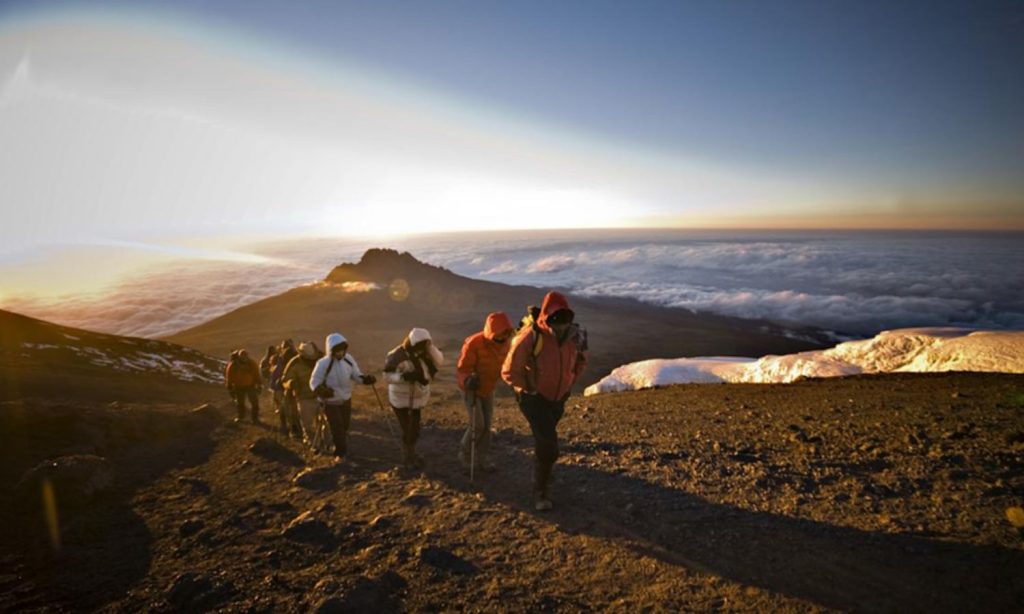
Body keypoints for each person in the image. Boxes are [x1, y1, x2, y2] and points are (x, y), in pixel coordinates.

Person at [502, 292, 588, 511]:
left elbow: (580, 362)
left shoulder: (575, 337)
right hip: (534, 399)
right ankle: (540, 492)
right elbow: (509, 371)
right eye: (555, 318)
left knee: (546, 440)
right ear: (546, 316)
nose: (560, 324)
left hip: (558, 398)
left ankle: (544, 470)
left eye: (564, 318)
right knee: (549, 446)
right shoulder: (531, 336)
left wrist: (568, 384)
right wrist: (528, 389)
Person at [456, 312, 514, 473]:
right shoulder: (474, 343)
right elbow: (463, 369)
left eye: (506, 333)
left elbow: (507, 367)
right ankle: (464, 454)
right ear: (491, 331)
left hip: (488, 388)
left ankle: (482, 459)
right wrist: (467, 380)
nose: (503, 337)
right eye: (500, 334)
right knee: (478, 425)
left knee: (487, 426)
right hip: (471, 389)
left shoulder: (507, 345)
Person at [384, 328, 444, 469]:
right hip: (400, 399)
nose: (422, 349)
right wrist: (405, 377)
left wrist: (430, 348)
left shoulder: (426, 352)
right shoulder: (397, 355)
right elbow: (387, 376)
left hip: (416, 399)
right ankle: (408, 458)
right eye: (421, 345)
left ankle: (411, 454)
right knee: (408, 429)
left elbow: (439, 361)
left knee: (414, 429)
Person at [309, 333, 376, 459]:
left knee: (344, 425)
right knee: (337, 427)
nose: (340, 353)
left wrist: (365, 379)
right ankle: (340, 453)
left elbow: (356, 374)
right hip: (330, 401)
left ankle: (336, 445)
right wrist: (321, 391)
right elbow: (314, 381)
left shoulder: (348, 359)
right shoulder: (323, 363)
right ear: (331, 350)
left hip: (345, 399)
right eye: (337, 350)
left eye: (342, 350)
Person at [281, 342, 320, 446]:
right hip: (304, 398)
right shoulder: (294, 363)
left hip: (321, 396)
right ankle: (311, 442)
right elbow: (285, 379)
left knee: (326, 422)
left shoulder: (321, 360)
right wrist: (290, 383)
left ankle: (325, 442)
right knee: (307, 423)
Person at [226, 349, 262, 424]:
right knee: (240, 403)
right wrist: (229, 386)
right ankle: (241, 417)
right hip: (239, 387)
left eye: (245, 356)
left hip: (250, 385)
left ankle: (255, 418)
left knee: (254, 402)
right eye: (242, 356)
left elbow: (256, 374)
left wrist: (259, 384)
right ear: (239, 357)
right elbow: (229, 376)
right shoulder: (233, 365)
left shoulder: (252, 363)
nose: (244, 358)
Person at [271, 339, 299, 436]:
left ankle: (290, 427)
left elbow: (274, 378)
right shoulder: (294, 359)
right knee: (289, 409)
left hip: (288, 388)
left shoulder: (280, 361)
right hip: (286, 388)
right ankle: (292, 427)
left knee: (288, 409)